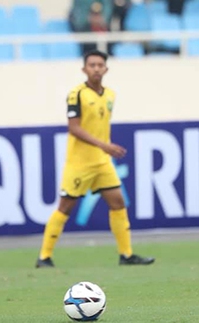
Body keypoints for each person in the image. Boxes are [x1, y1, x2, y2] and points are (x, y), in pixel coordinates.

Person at [35, 50, 155, 269]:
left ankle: (126, 255)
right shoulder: (76, 94)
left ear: (106, 69)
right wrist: (105, 146)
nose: (96, 68)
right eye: (92, 65)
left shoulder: (110, 95)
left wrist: (104, 149)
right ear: (84, 69)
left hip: (102, 162)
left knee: (118, 202)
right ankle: (44, 257)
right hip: (79, 163)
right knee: (65, 207)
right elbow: (74, 128)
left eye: (100, 65)